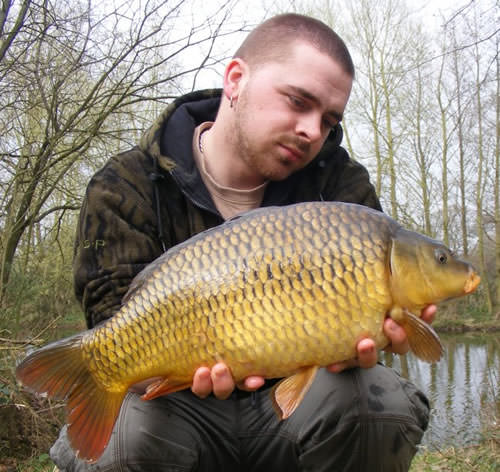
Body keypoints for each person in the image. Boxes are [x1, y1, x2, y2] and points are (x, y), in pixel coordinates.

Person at [50, 13, 434, 471]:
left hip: (295, 412)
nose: (314, 130)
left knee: (380, 402)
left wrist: (375, 330)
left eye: (329, 120)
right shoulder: (126, 186)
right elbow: (111, 313)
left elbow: (376, 317)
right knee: (123, 435)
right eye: (297, 101)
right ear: (236, 79)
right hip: (180, 413)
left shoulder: (341, 188)